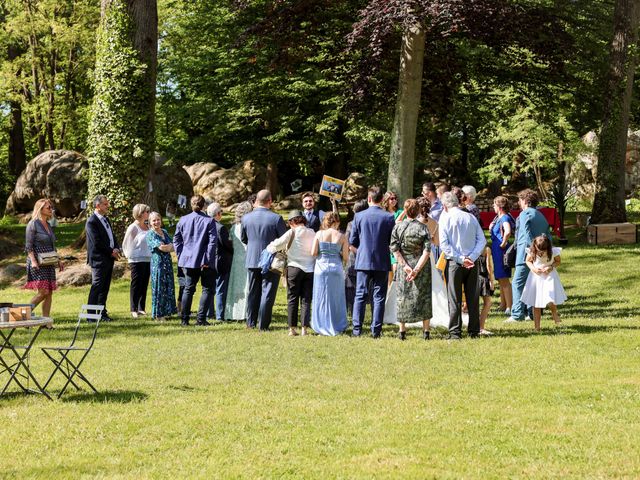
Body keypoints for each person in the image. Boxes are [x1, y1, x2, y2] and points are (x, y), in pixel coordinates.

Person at [349, 186, 395, 338]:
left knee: (360, 294)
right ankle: (376, 330)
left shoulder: (359, 216)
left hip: (363, 259)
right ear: (382, 199)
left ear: (369, 199)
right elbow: (391, 241)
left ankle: (357, 329)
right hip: (381, 260)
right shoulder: (388, 217)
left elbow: (353, 241)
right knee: (379, 296)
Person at [439, 191, 486, 339]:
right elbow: (482, 240)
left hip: (455, 262)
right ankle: (473, 331)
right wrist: (471, 256)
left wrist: (461, 258)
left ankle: (455, 332)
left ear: (445, 205)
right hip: (471, 262)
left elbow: (444, 245)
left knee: (454, 298)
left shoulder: (445, 219)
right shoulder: (470, 217)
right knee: (472, 297)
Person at [241, 189, 287, 330]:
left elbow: (244, 239)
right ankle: (263, 324)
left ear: (256, 201)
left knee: (253, 292)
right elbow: (284, 240)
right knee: (268, 292)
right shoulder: (276, 218)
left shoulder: (246, 218)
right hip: (271, 260)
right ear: (270, 201)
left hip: (252, 259)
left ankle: (251, 322)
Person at [267, 210, 315, 336]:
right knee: (306, 300)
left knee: (292, 298)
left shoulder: (291, 232)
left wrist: (269, 247)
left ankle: (292, 329)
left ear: (292, 221)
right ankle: (305, 328)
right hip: (310, 269)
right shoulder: (311, 232)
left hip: (294, 268)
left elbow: (275, 245)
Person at [390, 199, 432, 340]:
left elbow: (394, 249)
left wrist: (406, 267)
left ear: (405, 211)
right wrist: (417, 268)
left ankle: (402, 331)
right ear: (418, 211)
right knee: (424, 296)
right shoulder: (423, 228)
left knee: (403, 296)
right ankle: (426, 331)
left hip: (404, 265)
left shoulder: (398, 227)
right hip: (422, 266)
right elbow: (427, 251)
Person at [506, 189, 550, 323]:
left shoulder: (525, 214)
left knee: (518, 283)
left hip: (526, 254)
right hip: (541, 255)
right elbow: (548, 235)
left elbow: (525, 232)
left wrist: (532, 250)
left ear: (525, 201)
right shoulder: (541, 215)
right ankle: (531, 313)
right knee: (533, 284)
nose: (519, 203)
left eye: (520, 200)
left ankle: (517, 313)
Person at [173, 195, 217, 326]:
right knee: (207, 289)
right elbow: (212, 242)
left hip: (188, 260)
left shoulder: (183, 220)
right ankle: (201, 319)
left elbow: (176, 240)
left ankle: (185, 320)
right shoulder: (209, 221)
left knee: (188, 289)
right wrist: (208, 259)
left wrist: (181, 254)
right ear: (204, 206)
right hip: (204, 260)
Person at [24, 199, 63, 317]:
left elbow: (52, 246)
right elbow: (28, 246)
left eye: (51, 207)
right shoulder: (33, 224)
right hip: (37, 263)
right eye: (48, 208)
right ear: (40, 209)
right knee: (43, 292)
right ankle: (23, 314)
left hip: (49, 262)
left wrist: (58, 260)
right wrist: (34, 262)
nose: (51, 209)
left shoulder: (49, 225)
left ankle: (46, 323)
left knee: (49, 293)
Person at [311, 212, 349, 336]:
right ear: (337, 222)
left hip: (321, 269)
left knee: (321, 297)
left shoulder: (319, 234)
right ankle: (337, 324)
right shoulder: (342, 237)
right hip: (336, 269)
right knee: (336, 298)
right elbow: (345, 257)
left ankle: (321, 324)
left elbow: (313, 252)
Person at [86, 195, 121, 322]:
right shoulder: (92, 221)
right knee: (97, 286)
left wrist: (116, 248)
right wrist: (111, 251)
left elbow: (111, 236)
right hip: (98, 259)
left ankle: (102, 313)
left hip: (109, 257)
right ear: (97, 206)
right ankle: (90, 316)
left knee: (105, 287)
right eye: (105, 204)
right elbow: (97, 242)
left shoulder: (106, 219)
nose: (108, 206)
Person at [146, 212, 178, 321]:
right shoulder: (150, 234)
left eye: (158, 219)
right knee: (159, 288)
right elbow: (162, 248)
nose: (156, 222)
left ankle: (167, 311)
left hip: (167, 263)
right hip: (158, 263)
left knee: (168, 286)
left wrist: (169, 247)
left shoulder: (164, 232)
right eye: (154, 220)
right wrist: (168, 247)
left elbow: (174, 246)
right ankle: (158, 315)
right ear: (150, 222)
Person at [224, 201, 253, 321]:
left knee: (236, 286)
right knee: (246, 285)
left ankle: (234, 313)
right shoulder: (249, 227)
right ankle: (246, 313)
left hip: (236, 260)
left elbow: (231, 242)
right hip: (246, 258)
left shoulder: (233, 228)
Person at [122, 203, 151, 318]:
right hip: (136, 259)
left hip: (148, 258)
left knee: (144, 283)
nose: (148, 214)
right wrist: (130, 256)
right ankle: (133, 308)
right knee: (136, 283)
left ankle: (141, 307)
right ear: (140, 214)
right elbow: (126, 243)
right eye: (146, 212)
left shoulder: (148, 226)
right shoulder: (133, 227)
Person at [206, 202, 233, 322]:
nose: (221, 213)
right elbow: (227, 244)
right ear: (218, 214)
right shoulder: (221, 228)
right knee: (221, 289)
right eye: (221, 212)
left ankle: (209, 312)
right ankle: (220, 315)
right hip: (221, 261)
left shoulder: (205, 225)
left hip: (208, 261)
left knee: (210, 289)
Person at [489, 196, 515, 314]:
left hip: (501, 250)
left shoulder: (504, 217)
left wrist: (504, 242)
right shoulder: (499, 217)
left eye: (494, 205)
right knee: (500, 278)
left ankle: (510, 306)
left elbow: (508, 230)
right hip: (496, 249)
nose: (493, 207)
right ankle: (503, 304)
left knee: (504, 278)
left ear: (499, 207)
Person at [345, 199, 369, 318]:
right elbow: (349, 244)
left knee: (356, 289)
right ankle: (353, 312)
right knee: (353, 287)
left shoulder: (352, 223)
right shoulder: (351, 224)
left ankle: (355, 313)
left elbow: (348, 243)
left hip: (357, 259)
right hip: (358, 259)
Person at [478, 246, 494, 336]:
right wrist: (491, 280)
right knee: (487, 303)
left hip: (473, 278)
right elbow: (489, 266)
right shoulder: (486, 249)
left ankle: (475, 326)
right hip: (483, 279)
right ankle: (481, 327)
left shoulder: (470, 247)